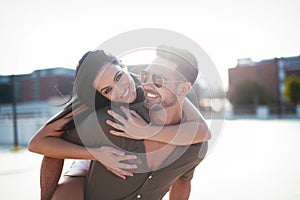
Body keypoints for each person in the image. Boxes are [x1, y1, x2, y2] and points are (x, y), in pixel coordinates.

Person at [28, 49, 210, 199]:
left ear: (124, 67)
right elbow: (42, 144)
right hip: (87, 159)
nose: (121, 91)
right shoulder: (90, 108)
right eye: (108, 90)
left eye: (118, 77)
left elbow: (203, 131)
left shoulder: (148, 85)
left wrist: (146, 132)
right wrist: (96, 154)